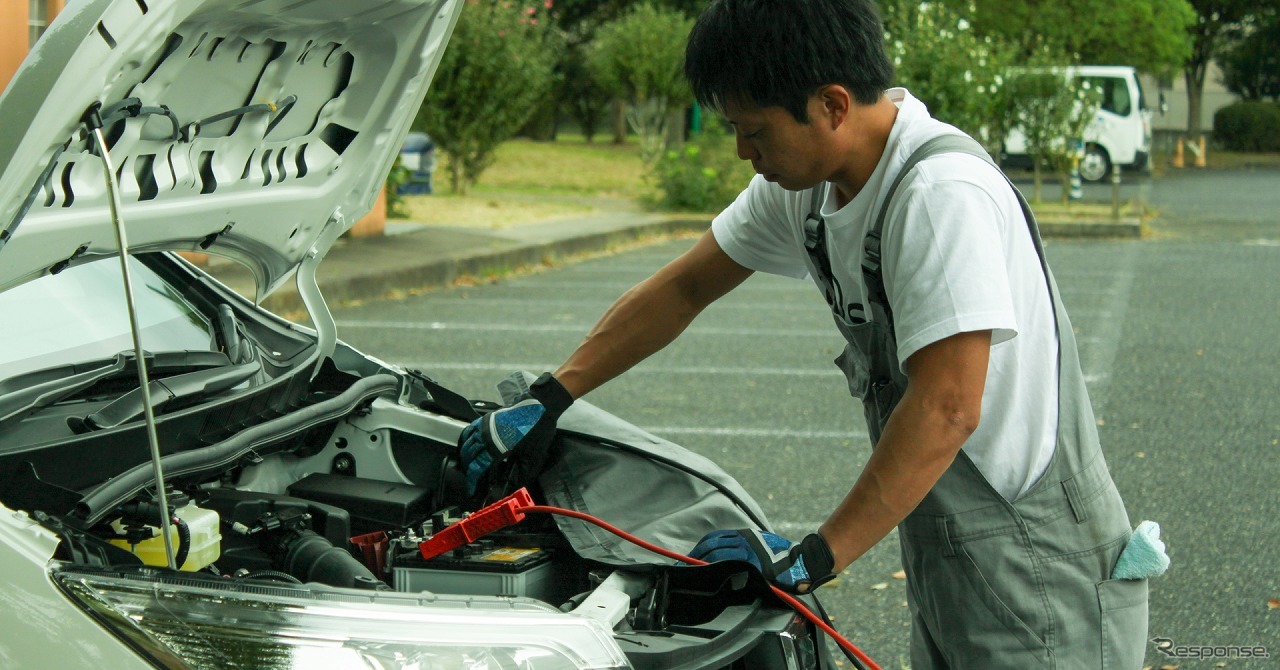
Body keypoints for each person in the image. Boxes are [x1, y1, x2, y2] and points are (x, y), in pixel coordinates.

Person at [459, 0, 1149, 666]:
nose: (741, 150)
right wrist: (551, 396)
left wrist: (816, 556)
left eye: (754, 131)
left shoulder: (939, 196)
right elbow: (683, 288)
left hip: (1037, 568)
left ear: (832, 105)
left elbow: (947, 407)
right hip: (946, 551)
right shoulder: (809, 190)